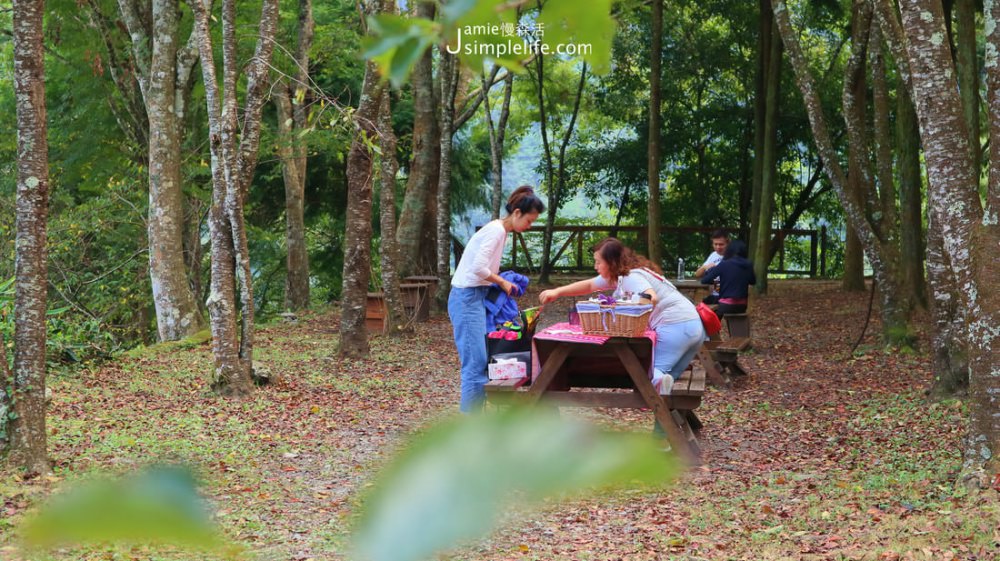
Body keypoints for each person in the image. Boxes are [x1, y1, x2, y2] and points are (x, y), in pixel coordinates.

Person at [538, 237, 705, 396]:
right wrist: (557, 292)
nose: (596, 266)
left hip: (676, 326)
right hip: (695, 328)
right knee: (665, 387)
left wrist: (636, 308)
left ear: (611, 262)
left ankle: (661, 410)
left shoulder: (630, 278)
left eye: (598, 262)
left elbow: (651, 296)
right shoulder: (622, 275)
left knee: (648, 378)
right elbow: (590, 285)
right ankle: (665, 425)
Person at [448, 186, 545, 413]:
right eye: (529, 221)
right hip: (466, 298)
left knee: (480, 362)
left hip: (474, 296)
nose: (529, 227)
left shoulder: (499, 230)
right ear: (517, 213)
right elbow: (478, 268)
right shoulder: (497, 231)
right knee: (475, 365)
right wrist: (502, 282)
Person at [700, 239, 755, 319]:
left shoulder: (724, 264)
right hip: (742, 306)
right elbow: (753, 281)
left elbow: (705, 280)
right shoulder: (748, 264)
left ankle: (713, 330)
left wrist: (711, 270)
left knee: (707, 306)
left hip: (725, 305)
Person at [694, 229, 729, 304]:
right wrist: (705, 267)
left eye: (721, 244)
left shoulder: (733, 256)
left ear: (727, 243)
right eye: (715, 244)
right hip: (715, 294)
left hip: (727, 296)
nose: (718, 247)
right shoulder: (713, 255)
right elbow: (697, 274)